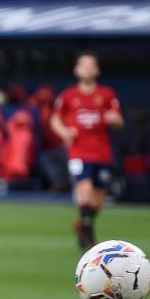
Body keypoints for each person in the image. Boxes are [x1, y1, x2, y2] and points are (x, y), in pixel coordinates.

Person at [50, 51, 123, 249]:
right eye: (84, 65)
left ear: (97, 70)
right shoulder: (68, 96)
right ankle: (89, 241)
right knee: (85, 191)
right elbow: (54, 119)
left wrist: (114, 120)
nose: (88, 69)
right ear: (76, 69)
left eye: (92, 65)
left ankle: (82, 223)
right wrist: (64, 132)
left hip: (101, 151)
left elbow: (118, 119)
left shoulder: (106, 94)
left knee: (99, 199)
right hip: (79, 151)